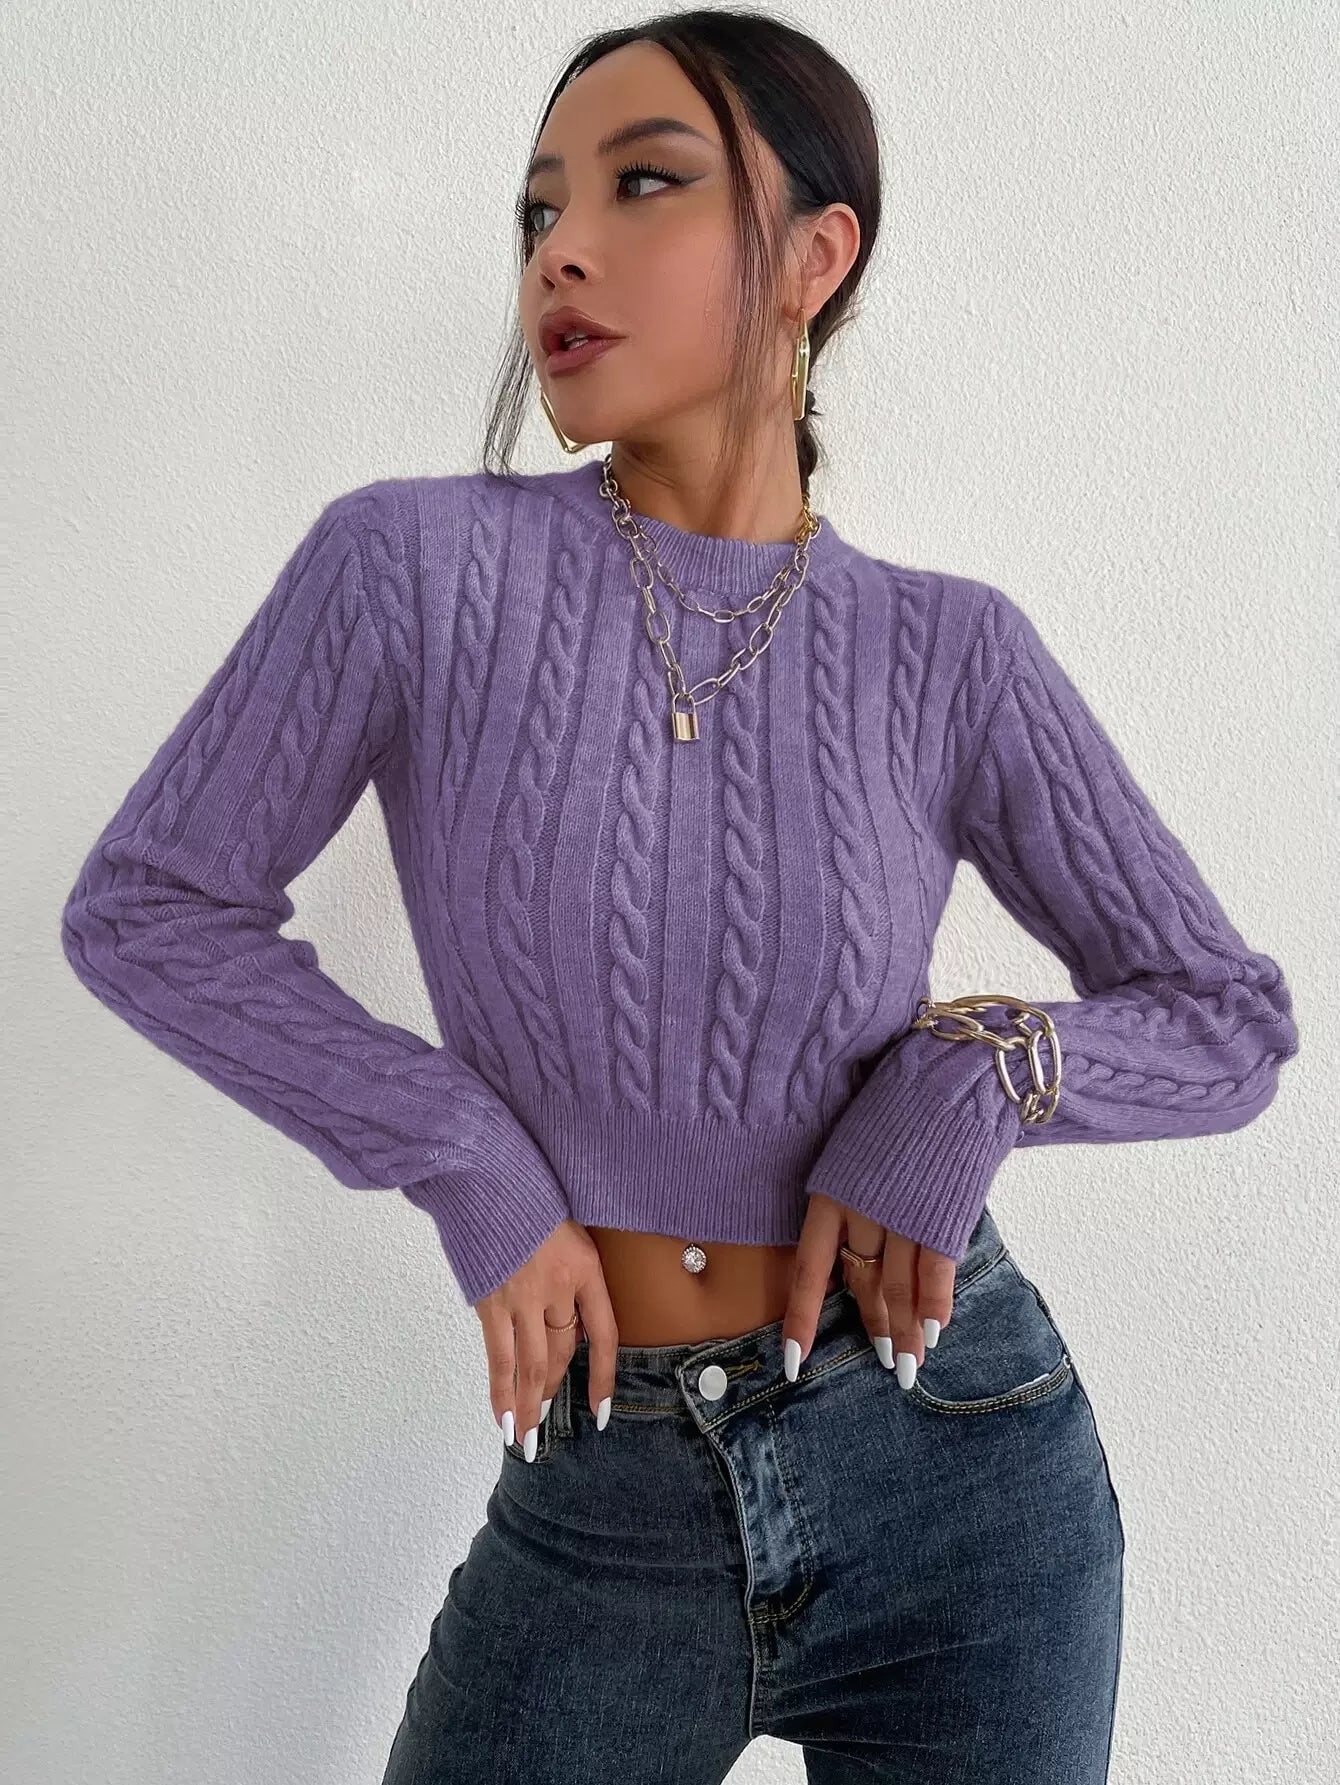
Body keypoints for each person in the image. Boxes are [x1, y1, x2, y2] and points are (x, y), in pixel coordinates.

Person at [60, 12, 1300, 1783]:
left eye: (644, 184)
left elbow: (1229, 1020)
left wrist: (972, 1077)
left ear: (813, 256)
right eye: (537, 208)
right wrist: (463, 1153)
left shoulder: (952, 653)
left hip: (961, 1465)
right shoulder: (406, 569)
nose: (560, 249)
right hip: (609, 1484)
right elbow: (149, 905)